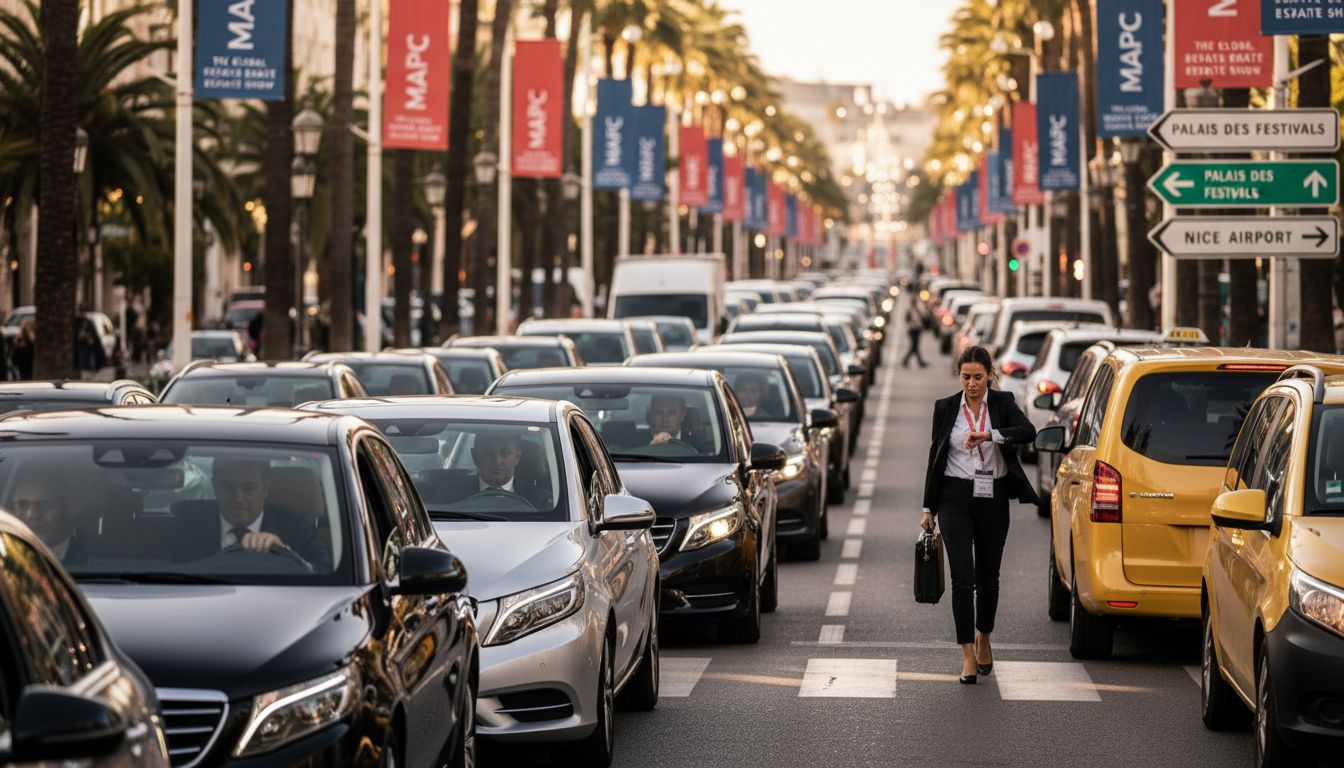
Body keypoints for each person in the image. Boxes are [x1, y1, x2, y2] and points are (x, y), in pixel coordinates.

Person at [920, 345, 1038, 684]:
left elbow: (1028, 432)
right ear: (959, 376)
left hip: (993, 497)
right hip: (954, 498)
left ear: (990, 375)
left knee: (989, 578)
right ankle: (968, 654)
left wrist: (990, 435)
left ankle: (984, 635)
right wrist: (928, 508)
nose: (972, 384)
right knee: (963, 579)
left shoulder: (1003, 403)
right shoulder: (945, 408)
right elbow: (935, 458)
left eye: (978, 377)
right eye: (966, 377)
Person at [173, 457, 329, 569]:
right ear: (215, 487)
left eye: (248, 488)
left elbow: (325, 573)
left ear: (266, 489)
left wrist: (283, 551)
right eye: (228, 488)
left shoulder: (297, 526)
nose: (238, 498)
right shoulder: (189, 523)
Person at [13, 470, 90, 563]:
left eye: (46, 504)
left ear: (71, 509)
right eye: (23, 505)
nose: (32, 515)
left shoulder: (96, 563)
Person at [645, 393, 711, 452]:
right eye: (659, 412)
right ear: (651, 415)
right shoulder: (637, 442)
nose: (665, 419)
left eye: (671, 413)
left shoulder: (697, 445)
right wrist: (651, 446)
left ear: (682, 415)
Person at [901, 301, 928, 368]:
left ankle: (911, 361)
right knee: (914, 346)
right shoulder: (909, 311)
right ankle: (907, 360)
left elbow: (922, 318)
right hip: (912, 330)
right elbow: (907, 320)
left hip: (918, 330)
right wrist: (913, 323)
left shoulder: (918, 310)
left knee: (915, 346)